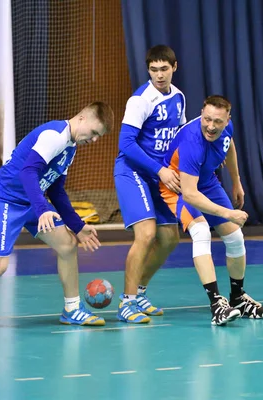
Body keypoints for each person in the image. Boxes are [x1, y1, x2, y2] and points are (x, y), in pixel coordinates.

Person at [0, 102, 114, 325]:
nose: (94, 140)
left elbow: (56, 191)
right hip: (4, 199)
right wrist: (42, 210)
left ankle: (72, 309)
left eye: (99, 137)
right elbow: (28, 172)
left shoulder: (70, 147)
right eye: (95, 133)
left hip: (31, 200)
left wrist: (77, 226)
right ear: (82, 119)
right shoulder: (54, 136)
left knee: (67, 244)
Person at [160, 95, 263, 326]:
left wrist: (236, 181)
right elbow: (190, 194)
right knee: (201, 232)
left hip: (206, 181)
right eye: (207, 119)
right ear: (201, 113)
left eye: (217, 121)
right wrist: (228, 213)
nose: (211, 126)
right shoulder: (192, 142)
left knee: (235, 237)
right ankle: (216, 304)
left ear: (227, 119)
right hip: (179, 187)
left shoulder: (226, 127)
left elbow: (229, 146)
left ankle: (238, 298)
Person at [114, 45, 186, 324]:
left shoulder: (179, 97)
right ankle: (126, 303)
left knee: (169, 238)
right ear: (148, 70)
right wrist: (160, 170)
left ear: (174, 67)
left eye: (164, 69)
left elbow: (178, 138)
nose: (159, 75)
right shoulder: (141, 100)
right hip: (133, 172)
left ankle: (140, 292)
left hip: (161, 175)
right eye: (154, 70)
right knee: (145, 235)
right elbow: (126, 144)